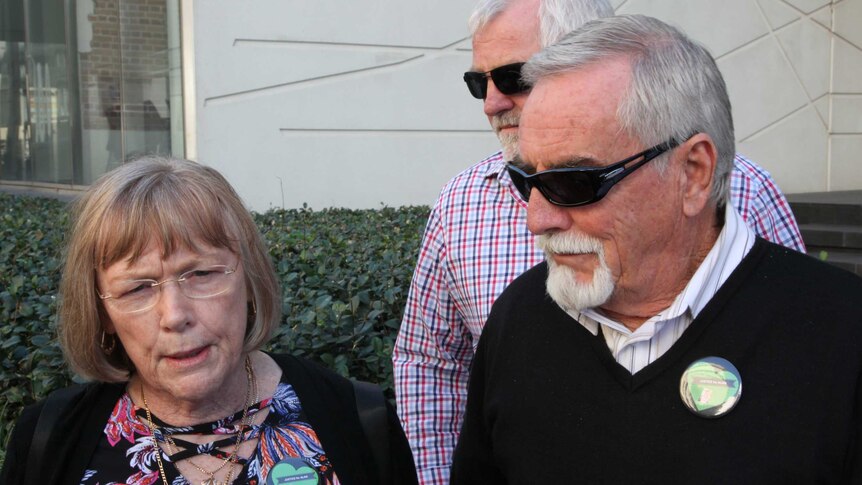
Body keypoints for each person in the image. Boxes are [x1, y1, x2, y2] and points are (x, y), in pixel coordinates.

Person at [392, 0, 806, 482]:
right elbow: (430, 360)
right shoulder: (477, 233)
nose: (491, 101)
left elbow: (794, 345)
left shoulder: (745, 193)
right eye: (477, 82)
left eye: (511, 76)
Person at [0, 157, 417, 485]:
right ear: (103, 313)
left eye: (201, 274)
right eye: (137, 288)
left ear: (249, 279)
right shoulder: (49, 438)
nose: (175, 315)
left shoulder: (357, 418)